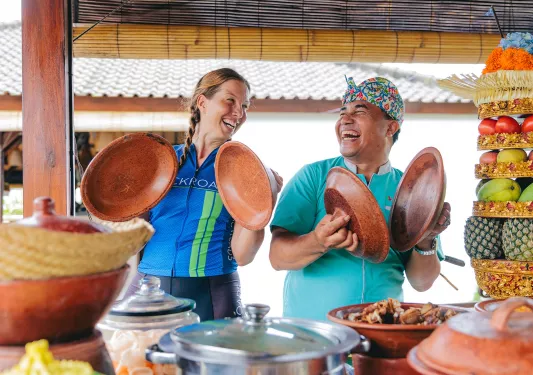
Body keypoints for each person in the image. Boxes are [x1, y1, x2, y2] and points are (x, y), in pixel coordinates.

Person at [269, 76, 451, 321]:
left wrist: (427, 239)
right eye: (343, 111)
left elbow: (422, 282)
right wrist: (319, 240)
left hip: (380, 335)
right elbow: (278, 257)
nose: (344, 119)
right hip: (313, 335)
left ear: (390, 127)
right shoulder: (313, 176)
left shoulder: (411, 189)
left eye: (360, 111)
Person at [126, 68, 283, 321]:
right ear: (202, 102)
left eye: (244, 106)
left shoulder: (244, 171)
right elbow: (132, 239)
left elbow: (243, 255)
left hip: (212, 291)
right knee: (137, 360)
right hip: (148, 287)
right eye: (230, 100)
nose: (239, 113)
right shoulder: (162, 162)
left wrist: (263, 206)